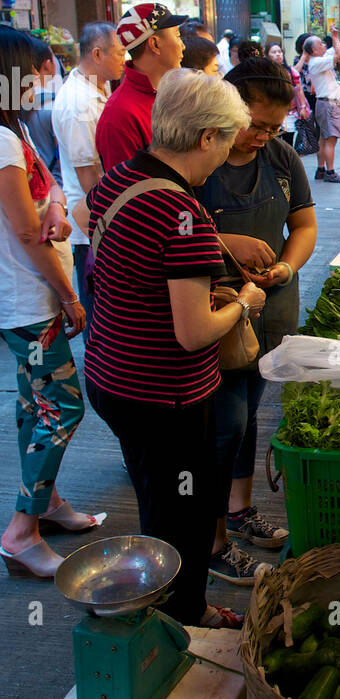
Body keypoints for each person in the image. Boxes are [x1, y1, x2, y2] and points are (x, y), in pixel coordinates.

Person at [82, 69, 268, 629]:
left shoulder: (119, 180)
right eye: (228, 138)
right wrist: (243, 303)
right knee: (183, 511)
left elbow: (127, 271)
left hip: (112, 372)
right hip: (164, 392)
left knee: (159, 499)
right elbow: (193, 333)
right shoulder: (179, 212)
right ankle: (182, 619)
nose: (228, 152)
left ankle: (167, 606)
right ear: (206, 137)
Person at [197, 59, 317, 584]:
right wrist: (225, 243)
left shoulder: (282, 158)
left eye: (273, 128)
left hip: (269, 309)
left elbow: (305, 224)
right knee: (221, 427)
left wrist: (287, 266)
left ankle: (241, 510)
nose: (261, 137)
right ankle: (212, 540)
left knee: (248, 412)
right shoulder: (200, 163)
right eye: (254, 125)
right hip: (214, 315)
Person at [0, 26, 91, 580]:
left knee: (33, 406)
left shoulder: (16, 132)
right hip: (28, 301)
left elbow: (50, 188)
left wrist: (54, 207)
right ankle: (20, 531)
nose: (44, 79)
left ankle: (48, 504)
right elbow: (27, 231)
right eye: (37, 69)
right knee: (62, 408)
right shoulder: (4, 139)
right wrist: (65, 295)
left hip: (27, 297)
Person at [51, 21, 127, 330]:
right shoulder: (78, 105)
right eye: (120, 53)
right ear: (97, 54)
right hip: (92, 225)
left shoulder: (100, 85)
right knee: (98, 313)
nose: (125, 59)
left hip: (102, 219)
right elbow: (90, 177)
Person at [95, 3, 186, 172]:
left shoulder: (173, 93)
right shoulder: (119, 115)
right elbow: (124, 190)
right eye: (177, 36)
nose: (183, 46)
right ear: (154, 44)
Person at [296, 35, 340, 181]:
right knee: (330, 139)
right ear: (314, 50)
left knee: (323, 139)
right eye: (320, 44)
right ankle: (330, 172)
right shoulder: (318, 62)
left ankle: (321, 169)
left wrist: (335, 38)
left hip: (324, 103)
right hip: (329, 104)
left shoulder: (318, 59)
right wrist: (335, 38)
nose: (324, 45)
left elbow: (336, 50)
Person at [21, 37, 62, 182]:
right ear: (47, 64)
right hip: (56, 186)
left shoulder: (16, 106)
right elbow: (62, 156)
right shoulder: (55, 105)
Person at [265, 40, 310, 147]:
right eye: (274, 52)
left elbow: (299, 90)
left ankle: (285, 162)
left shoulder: (291, 71)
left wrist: (303, 107)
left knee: (288, 141)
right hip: (271, 113)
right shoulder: (264, 72)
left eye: (279, 52)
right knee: (272, 141)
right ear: (267, 55)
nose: (277, 54)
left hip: (289, 113)